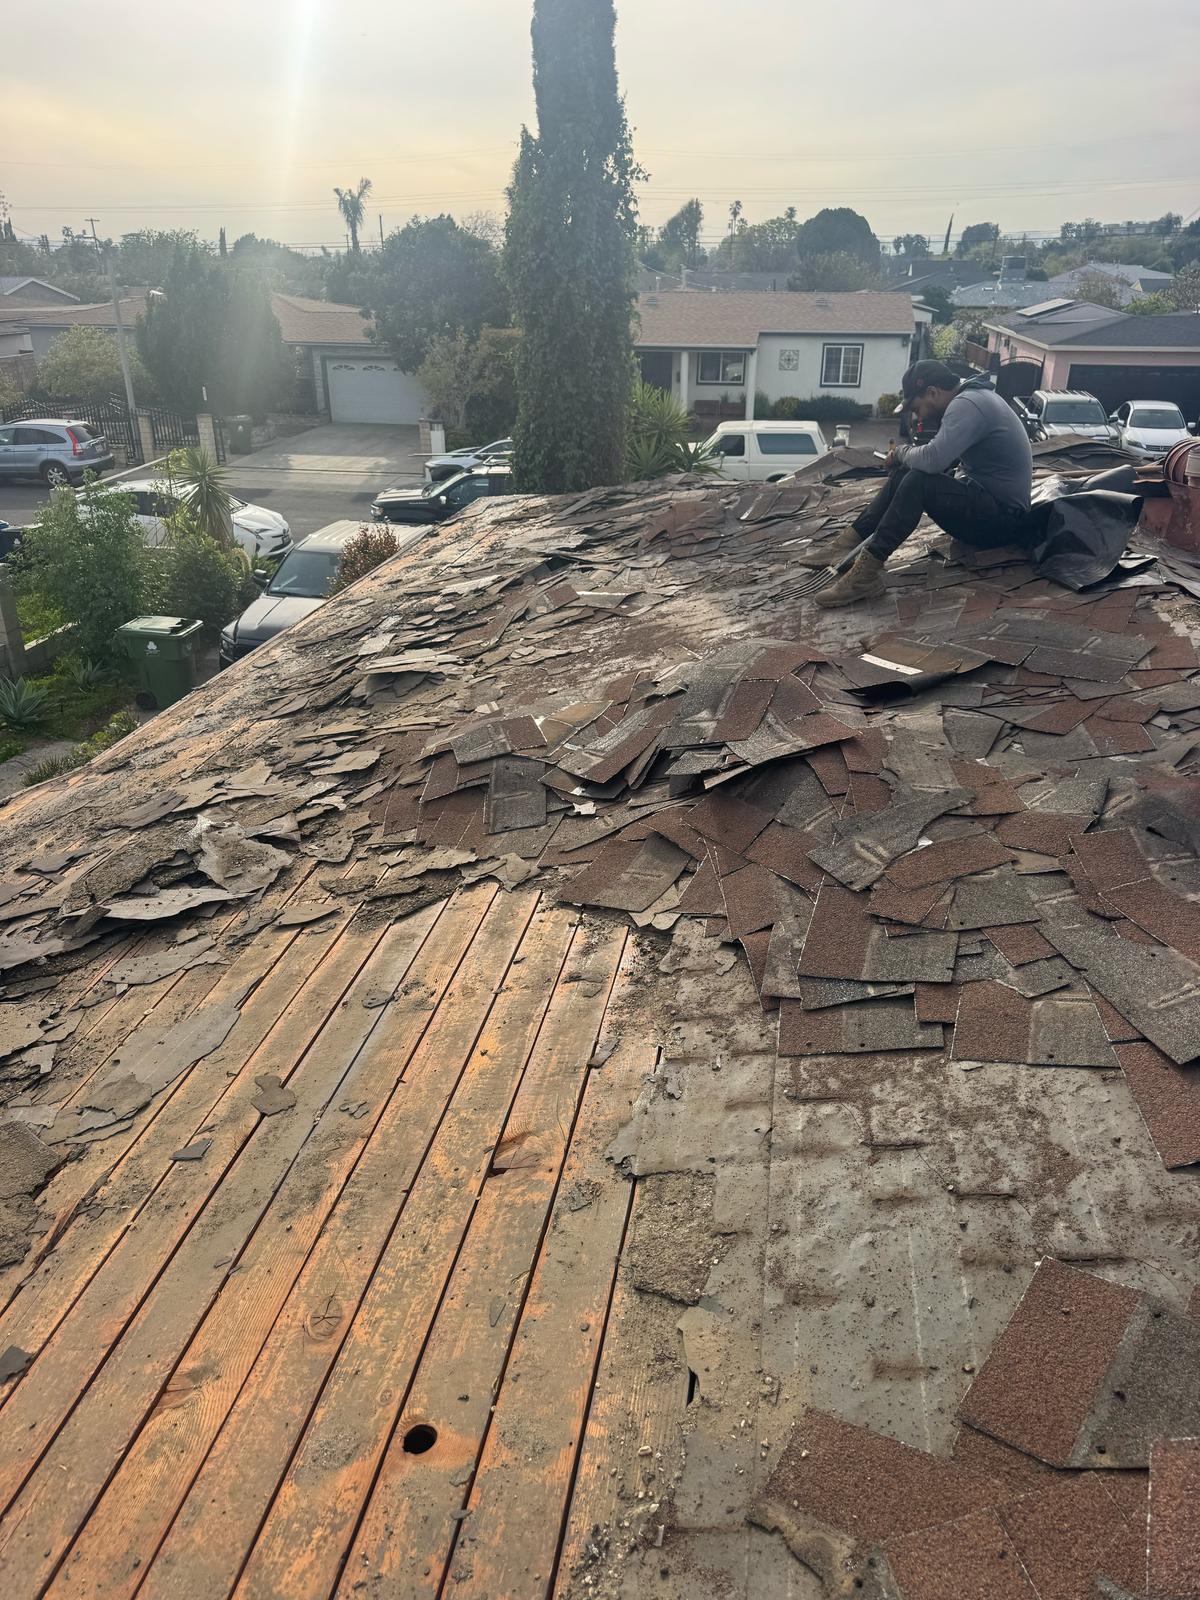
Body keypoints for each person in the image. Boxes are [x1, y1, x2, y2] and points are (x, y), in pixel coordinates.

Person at [812, 360, 1034, 608]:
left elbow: (933, 460)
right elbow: (939, 460)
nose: (917, 415)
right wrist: (906, 460)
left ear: (933, 392)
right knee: (907, 473)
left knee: (919, 480)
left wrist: (899, 453)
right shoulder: (974, 398)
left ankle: (866, 575)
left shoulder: (967, 405)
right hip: (989, 507)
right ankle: (847, 544)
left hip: (1002, 522)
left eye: (916, 407)